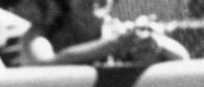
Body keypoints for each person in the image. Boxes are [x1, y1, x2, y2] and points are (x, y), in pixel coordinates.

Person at [18, 0, 190, 67]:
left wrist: (155, 41)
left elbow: (182, 59)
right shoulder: (41, 33)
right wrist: (113, 44)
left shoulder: (121, 31)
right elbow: (45, 64)